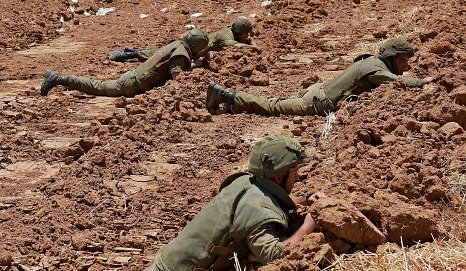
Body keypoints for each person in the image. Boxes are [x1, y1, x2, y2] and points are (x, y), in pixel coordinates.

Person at [145, 135, 319, 271]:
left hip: (167, 261)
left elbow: (272, 199)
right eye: (294, 171)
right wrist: (308, 226)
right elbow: (273, 255)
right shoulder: (257, 210)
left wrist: (305, 199)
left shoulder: (247, 183)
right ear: (279, 177)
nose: (298, 176)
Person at [206, 37, 434, 116]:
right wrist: (422, 82)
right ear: (392, 58)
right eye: (403, 60)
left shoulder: (374, 63)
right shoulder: (375, 69)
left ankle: (233, 103)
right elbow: (399, 82)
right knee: (273, 106)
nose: (407, 65)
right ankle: (227, 97)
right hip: (316, 101)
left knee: (276, 103)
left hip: (318, 92)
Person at [40, 29, 210, 98]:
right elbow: (177, 76)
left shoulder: (177, 45)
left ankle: (60, 79)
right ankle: (59, 79)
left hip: (133, 78)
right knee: (97, 87)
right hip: (131, 85)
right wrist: (197, 65)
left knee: (97, 84)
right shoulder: (181, 54)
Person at [109, 17, 260, 63]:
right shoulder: (226, 37)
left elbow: (247, 41)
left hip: (195, 48)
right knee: (160, 55)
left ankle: (133, 52)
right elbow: (235, 47)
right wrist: (253, 48)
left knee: (159, 52)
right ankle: (125, 55)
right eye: (246, 33)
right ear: (240, 33)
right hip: (192, 49)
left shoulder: (233, 33)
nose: (248, 36)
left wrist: (252, 43)